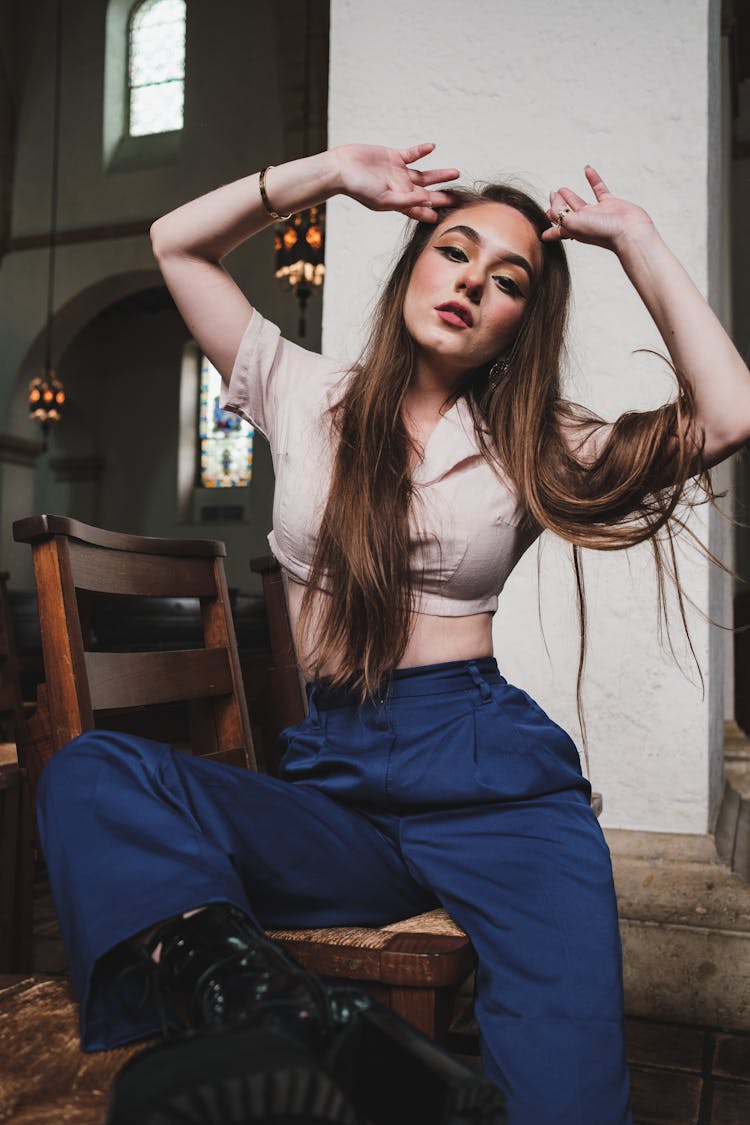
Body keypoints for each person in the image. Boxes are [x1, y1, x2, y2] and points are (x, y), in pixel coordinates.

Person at [36, 143, 750, 1125]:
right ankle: (266, 1013)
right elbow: (177, 245)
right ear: (414, 258)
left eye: (509, 281)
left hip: (499, 792)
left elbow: (728, 412)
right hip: (338, 793)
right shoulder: (304, 392)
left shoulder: (540, 440)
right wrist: (329, 174)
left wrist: (637, 239)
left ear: (519, 326)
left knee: (566, 1100)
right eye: (456, 250)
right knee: (91, 772)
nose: (472, 283)